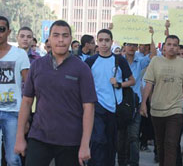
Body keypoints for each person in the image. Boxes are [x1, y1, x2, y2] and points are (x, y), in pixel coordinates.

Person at [14, 20, 97, 166]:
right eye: (56, 35)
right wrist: (20, 137)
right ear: (49, 39)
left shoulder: (82, 68)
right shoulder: (37, 66)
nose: (60, 40)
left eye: (65, 36)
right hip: (39, 136)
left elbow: (89, 108)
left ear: (70, 39)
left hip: (71, 140)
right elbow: (26, 102)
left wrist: (85, 145)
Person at [85, 29, 135, 166]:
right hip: (97, 107)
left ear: (111, 42)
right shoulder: (90, 61)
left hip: (114, 108)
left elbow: (132, 81)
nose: (104, 43)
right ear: (97, 42)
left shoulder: (120, 60)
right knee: (98, 141)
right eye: (101, 40)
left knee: (111, 144)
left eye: (107, 40)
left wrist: (119, 84)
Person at [140, 35, 183, 166]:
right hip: (157, 110)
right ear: (164, 46)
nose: (172, 47)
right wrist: (143, 104)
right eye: (169, 44)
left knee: (171, 143)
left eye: (175, 45)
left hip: (176, 109)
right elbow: (148, 85)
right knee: (161, 144)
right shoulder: (155, 61)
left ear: (178, 47)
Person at [117, 27, 156, 166]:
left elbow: (153, 54)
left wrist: (152, 36)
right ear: (124, 46)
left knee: (133, 136)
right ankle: (122, 161)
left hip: (136, 103)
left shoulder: (140, 62)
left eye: (134, 45)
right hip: (121, 103)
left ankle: (134, 163)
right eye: (129, 44)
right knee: (121, 136)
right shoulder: (118, 61)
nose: (132, 47)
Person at [0, 16, 29, 166]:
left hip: (13, 113)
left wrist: (26, 118)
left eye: (1, 29)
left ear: (8, 32)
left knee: (12, 159)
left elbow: (30, 87)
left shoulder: (20, 55)